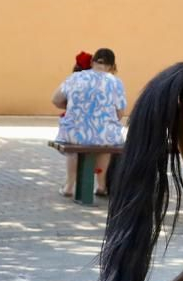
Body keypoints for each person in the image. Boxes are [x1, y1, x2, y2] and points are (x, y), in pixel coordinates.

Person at [52, 48, 128, 199]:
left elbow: (55, 100)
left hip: (74, 133)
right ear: (112, 66)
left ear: (92, 62)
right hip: (104, 136)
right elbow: (120, 114)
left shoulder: (76, 77)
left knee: (73, 148)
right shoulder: (116, 82)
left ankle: (69, 186)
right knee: (105, 147)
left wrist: (72, 107)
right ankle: (100, 185)